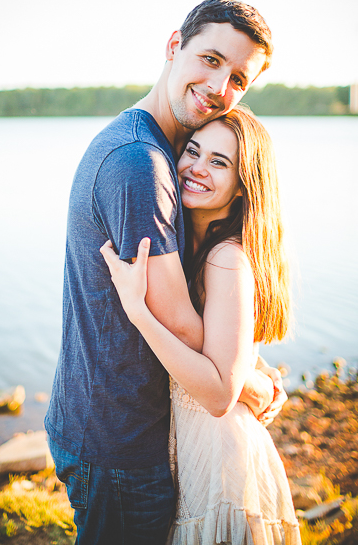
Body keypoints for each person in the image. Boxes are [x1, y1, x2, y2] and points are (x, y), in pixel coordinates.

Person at [44, 0, 288, 543]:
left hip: (116, 425)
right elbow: (178, 321)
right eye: (210, 58)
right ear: (174, 45)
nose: (220, 85)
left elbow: (194, 303)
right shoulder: (140, 164)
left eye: (239, 79)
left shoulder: (165, 152)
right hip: (118, 441)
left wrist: (244, 357)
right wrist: (243, 379)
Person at [99, 106, 300, 543]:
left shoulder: (225, 256)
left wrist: (138, 313)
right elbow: (229, 345)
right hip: (194, 453)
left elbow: (218, 395)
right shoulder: (193, 242)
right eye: (193, 151)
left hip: (219, 461)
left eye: (219, 162)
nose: (196, 168)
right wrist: (259, 372)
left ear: (244, 185)